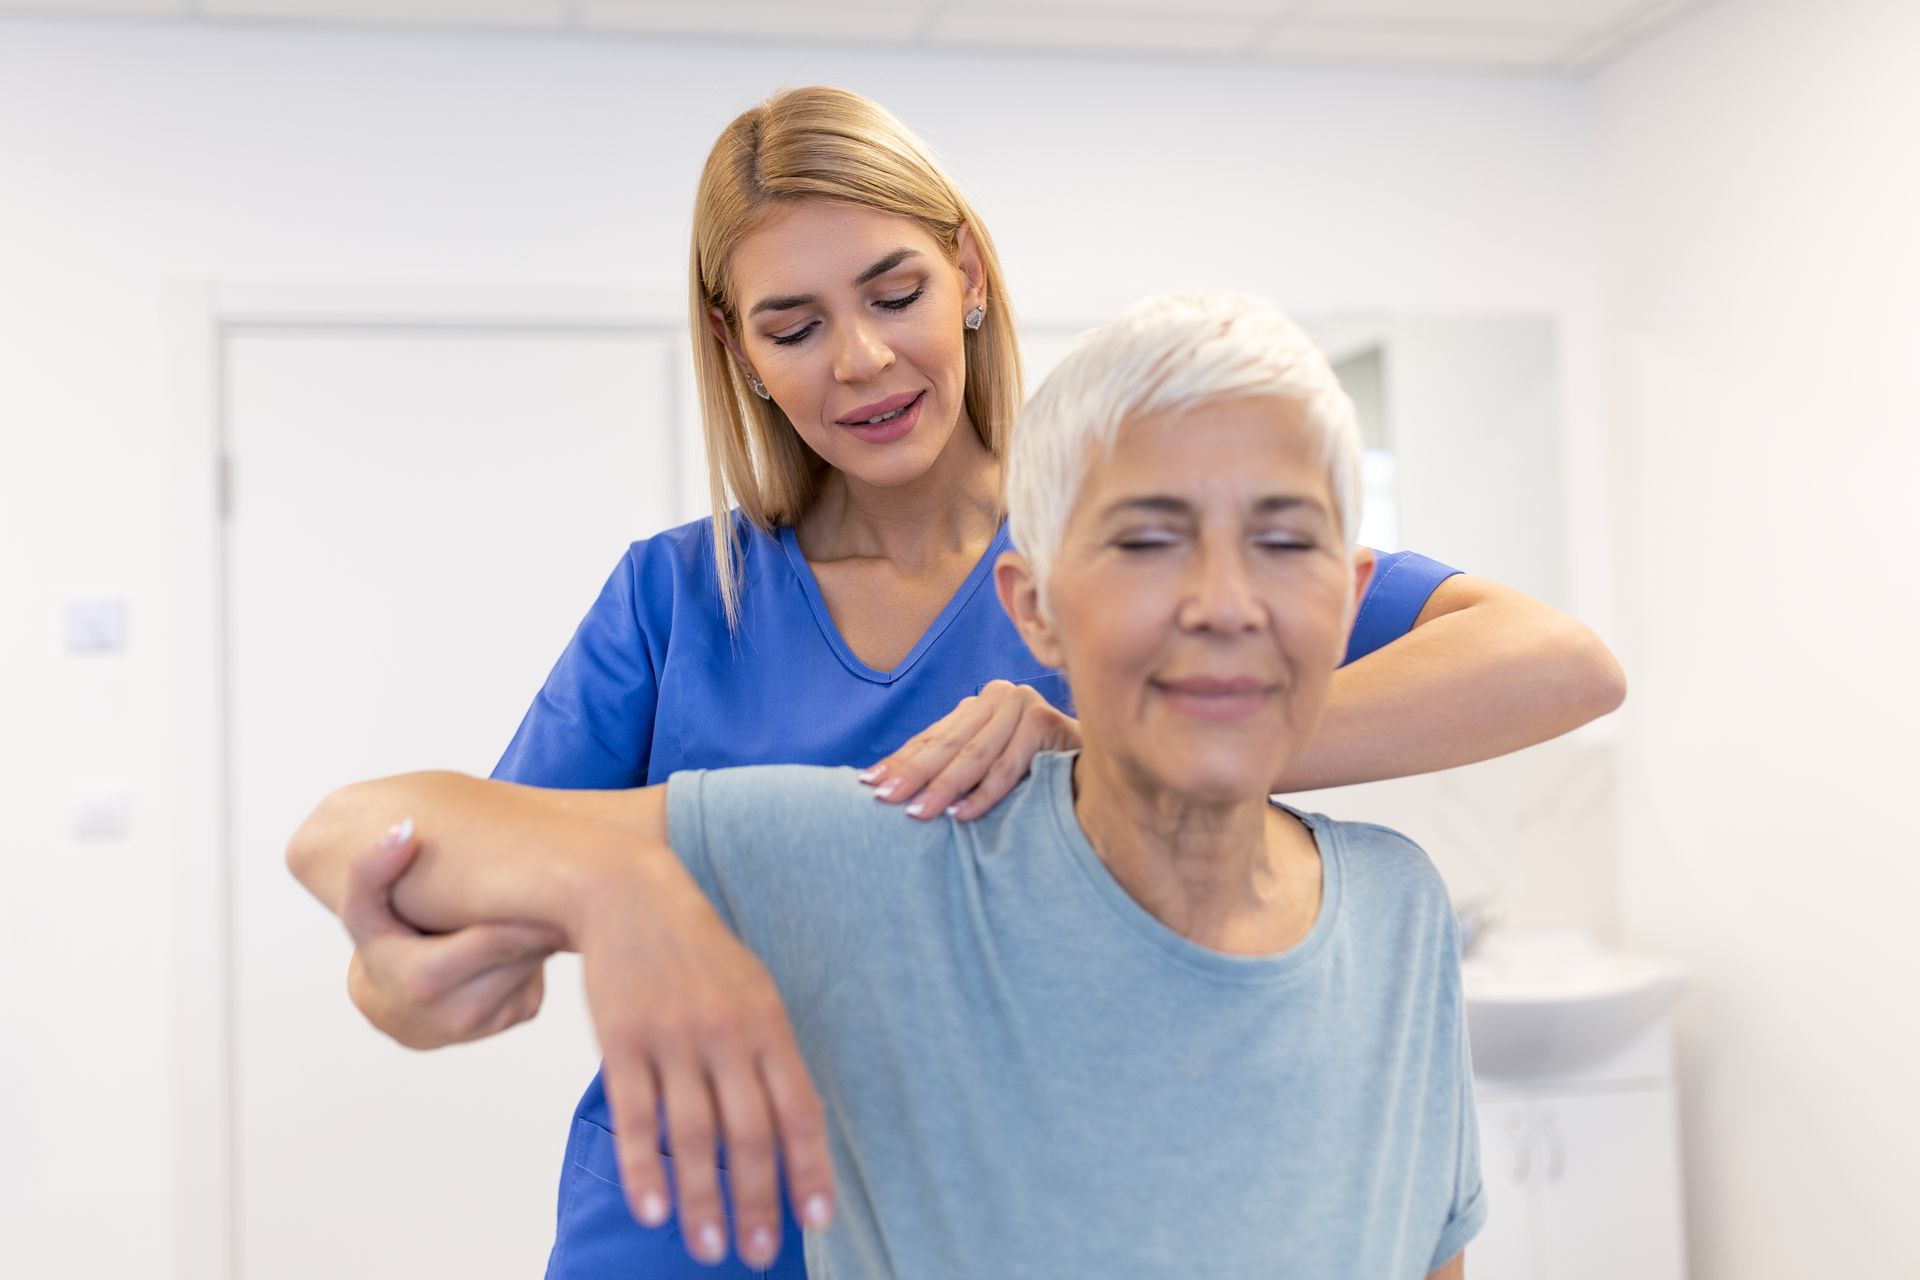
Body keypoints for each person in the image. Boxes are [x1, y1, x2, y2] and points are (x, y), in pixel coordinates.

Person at [326, 88, 1620, 1278]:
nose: (863, 362)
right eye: (795, 325)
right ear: (737, 350)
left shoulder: (1116, 557)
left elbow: (1557, 664)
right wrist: (556, 908)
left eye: (894, 294)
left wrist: (1128, 737)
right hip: (690, 1232)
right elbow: (441, 879)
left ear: (971, 275)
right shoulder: (678, 601)